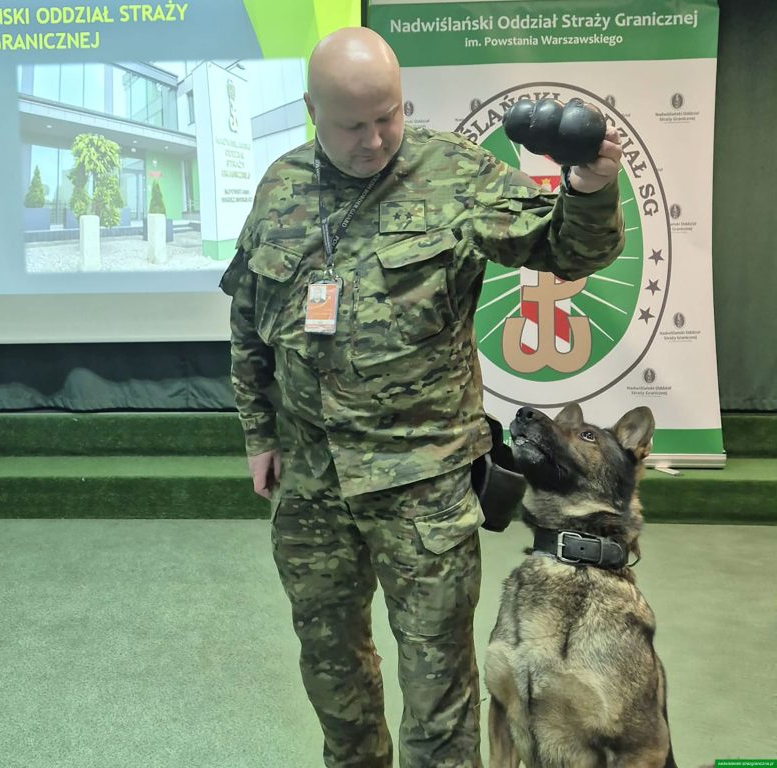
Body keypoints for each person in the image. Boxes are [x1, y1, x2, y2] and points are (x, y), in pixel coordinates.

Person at [220, 26, 624, 768]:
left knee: (438, 686)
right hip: (313, 486)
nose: (375, 140)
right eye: (352, 125)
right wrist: (259, 434)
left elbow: (568, 251)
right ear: (310, 109)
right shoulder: (280, 186)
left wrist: (590, 190)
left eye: (389, 116)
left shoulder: (456, 176)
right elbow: (249, 321)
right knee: (331, 669)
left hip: (424, 487)